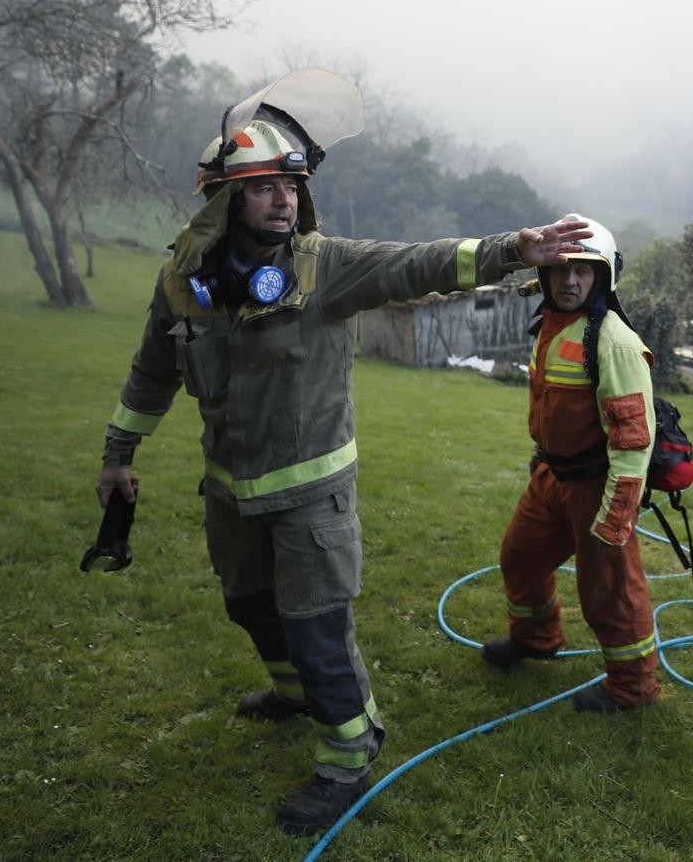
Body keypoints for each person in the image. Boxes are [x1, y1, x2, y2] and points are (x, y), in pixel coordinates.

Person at [94, 72, 593, 836]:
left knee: (319, 628)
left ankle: (349, 752)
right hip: (230, 492)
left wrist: (515, 249)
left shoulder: (325, 266)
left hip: (311, 498)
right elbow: (153, 368)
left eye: (292, 184)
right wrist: (119, 451)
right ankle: (292, 692)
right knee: (249, 605)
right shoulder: (184, 283)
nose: (284, 200)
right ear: (223, 199)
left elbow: (420, 262)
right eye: (263, 187)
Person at [480, 217, 663, 712]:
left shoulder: (615, 342)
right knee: (520, 557)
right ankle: (536, 638)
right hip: (550, 479)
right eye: (560, 270)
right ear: (543, 275)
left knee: (609, 590)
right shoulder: (550, 326)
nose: (570, 282)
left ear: (603, 277)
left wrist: (616, 517)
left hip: (596, 487)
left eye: (583, 271)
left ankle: (632, 686)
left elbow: (632, 442)